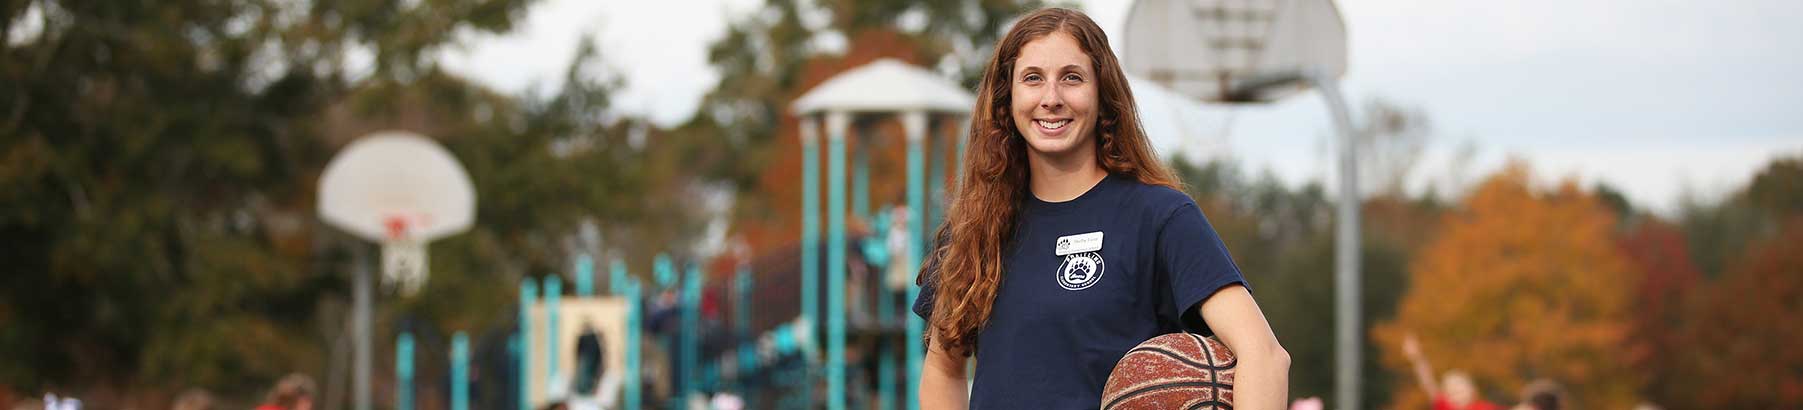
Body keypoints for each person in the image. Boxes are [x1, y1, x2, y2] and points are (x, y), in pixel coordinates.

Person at [912, 7, 1290, 409]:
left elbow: (1264, 357)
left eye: (1072, 78)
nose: (1051, 98)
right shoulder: (973, 228)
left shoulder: (1159, 216)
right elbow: (943, 370)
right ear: (1007, 98)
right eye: (1033, 79)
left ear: (1102, 93)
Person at [1402, 333, 1502, 410]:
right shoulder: (1447, 408)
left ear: (1472, 391)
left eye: (1460, 391)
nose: (1458, 397)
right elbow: (1428, 384)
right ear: (1447, 397)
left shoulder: (1483, 408)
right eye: (1452, 394)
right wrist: (1417, 359)